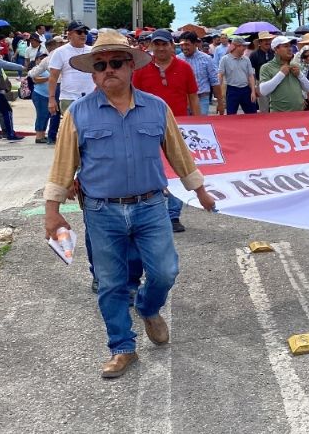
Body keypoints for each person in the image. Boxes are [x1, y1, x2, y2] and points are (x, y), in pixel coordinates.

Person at [43, 30, 216, 378]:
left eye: (116, 63)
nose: (109, 69)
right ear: (93, 72)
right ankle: (122, 347)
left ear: (130, 67)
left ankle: (149, 307)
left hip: (151, 207)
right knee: (110, 283)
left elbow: (179, 154)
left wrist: (199, 190)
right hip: (101, 211)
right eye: (101, 65)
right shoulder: (78, 113)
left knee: (165, 271)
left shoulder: (156, 108)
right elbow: (63, 164)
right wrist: (52, 211)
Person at [131, 29, 200, 233]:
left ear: (172, 45)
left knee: (178, 169)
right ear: (151, 46)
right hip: (146, 126)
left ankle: (173, 215)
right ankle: (153, 213)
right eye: (157, 44)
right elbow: (133, 95)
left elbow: (193, 96)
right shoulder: (141, 68)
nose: (161, 48)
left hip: (178, 126)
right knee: (150, 169)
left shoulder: (184, 68)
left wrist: (197, 123)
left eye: (165, 44)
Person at [48, 21, 94, 119]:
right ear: (69, 34)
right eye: (79, 32)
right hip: (69, 98)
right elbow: (53, 77)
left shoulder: (92, 51)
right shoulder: (60, 52)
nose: (83, 35)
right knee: (72, 131)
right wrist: (51, 99)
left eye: (85, 32)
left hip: (91, 98)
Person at [259, 35, 309, 113]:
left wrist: (299, 75)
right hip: (279, 116)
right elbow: (263, 91)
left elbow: (308, 88)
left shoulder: (295, 65)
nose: (290, 49)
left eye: (290, 46)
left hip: (299, 113)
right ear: (276, 49)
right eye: (286, 46)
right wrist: (281, 74)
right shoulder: (267, 67)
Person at [27, 38, 63, 143]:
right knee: (45, 114)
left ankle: (50, 137)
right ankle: (41, 136)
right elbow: (34, 76)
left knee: (53, 114)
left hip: (52, 90)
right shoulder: (61, 55)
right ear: (57, 44)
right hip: (57, 89)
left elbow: (32, 73)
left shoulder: (47, 59)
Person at [178, 31, 222, 115]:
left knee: (200, 125)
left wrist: (220, 103)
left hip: (202, 99)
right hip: (183, 100)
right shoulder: (177, 59)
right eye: (181, 45)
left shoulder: (206, 59)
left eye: (187, 44)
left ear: (195, 44)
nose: (184, 47)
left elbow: (215, 82)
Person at [218, 36, 258, 115]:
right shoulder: (225, 59)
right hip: (232, 90)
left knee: (252, 114)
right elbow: (220, 75)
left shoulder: (246, 59)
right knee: (231, 115)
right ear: (236, 46)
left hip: (246, 90)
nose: (245, 48)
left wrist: (253, 92)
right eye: (243, 46)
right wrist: (219, 95)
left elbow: (251, 76)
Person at [250, 32, 276, 112]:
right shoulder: (254, 55)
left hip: (274, 82)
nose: (267, 42)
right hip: (261, 84)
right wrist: (254, 88)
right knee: (264, 108)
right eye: (265, 40)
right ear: (260, 42)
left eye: (269, 40)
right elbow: (251, 72)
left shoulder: (274, 53)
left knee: (275, 107)